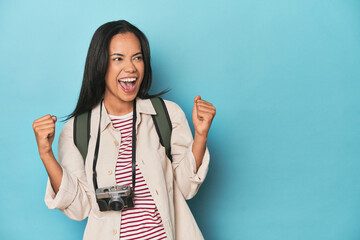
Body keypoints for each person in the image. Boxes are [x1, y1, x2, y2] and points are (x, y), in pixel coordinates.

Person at [32, 20, 216, 240]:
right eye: (118, 59)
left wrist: (201, 136)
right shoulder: (77, 130)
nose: (131, 68)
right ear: (100, 65)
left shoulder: (167, 115)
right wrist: (46, 155)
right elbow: (79, 208)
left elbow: (186, 189)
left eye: (137, 58)